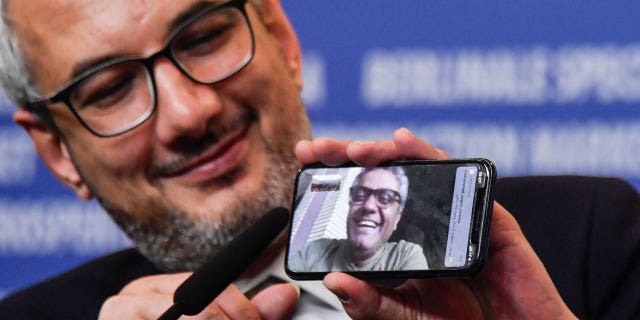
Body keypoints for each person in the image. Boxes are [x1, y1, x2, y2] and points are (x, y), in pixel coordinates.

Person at [0, 0, 581, 318]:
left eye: (203, 37)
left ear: (281, 38)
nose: (187, 113)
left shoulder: (587, 239)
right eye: (109, 89)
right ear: (57, 151)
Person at [289, 166, 429, 272]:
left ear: (397, 219)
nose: (368, 206)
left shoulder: (405, 255)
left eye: (385, 198)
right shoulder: (316, 249)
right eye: (360, 195)